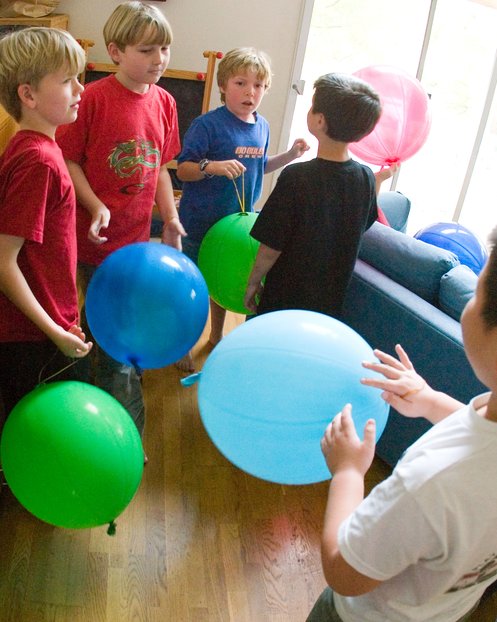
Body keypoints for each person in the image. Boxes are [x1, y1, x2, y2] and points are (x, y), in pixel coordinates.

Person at [306, 224, 497, 622]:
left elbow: (344, 572)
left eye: (477, 291)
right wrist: (428, 400)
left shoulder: (430, 483)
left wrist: (347, 473)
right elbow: (481, 435)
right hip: (448, 609)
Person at [56, 1, 182, 438]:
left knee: (118, 330)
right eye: (147, 50)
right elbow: (69, 161)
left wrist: (168, 217)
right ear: (115, 51)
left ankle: (111, 406)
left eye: (164, 49)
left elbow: (162, 167)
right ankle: (108, 425)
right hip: (91, 240)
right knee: (100, 331)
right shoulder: (92, 98)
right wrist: (95, 204)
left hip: (136, 242)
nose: (159, 59)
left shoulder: (165, 103)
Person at [175, 47, 309, 371]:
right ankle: (182, 347)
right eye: (241, 83)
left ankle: (216, 336)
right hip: (199, 224)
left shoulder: (261, 126)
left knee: (223, 284)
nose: (251, 92)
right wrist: (213, 166)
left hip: (236, 227)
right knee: (192, 289)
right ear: (223, 86)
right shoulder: (207, 125)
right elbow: (183, 170)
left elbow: (259, 167)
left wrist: (289, 155)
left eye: (259, 85)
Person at [0, 27, 92, 428]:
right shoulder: (39, 161)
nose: (81, 90)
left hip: (44, 322)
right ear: (29, 95)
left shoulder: (38, 148)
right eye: (67, 80)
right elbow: (4, 261)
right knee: (32, 433)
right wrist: (54, 330)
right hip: (31, 336)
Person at [244, 72, 387, 318]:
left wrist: (253, 282)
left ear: (320, 121)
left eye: (312, 107)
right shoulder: (365, 177)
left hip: (284, 297)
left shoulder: (296, 177)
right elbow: (361, 225)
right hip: (330, 302)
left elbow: (271, 245)